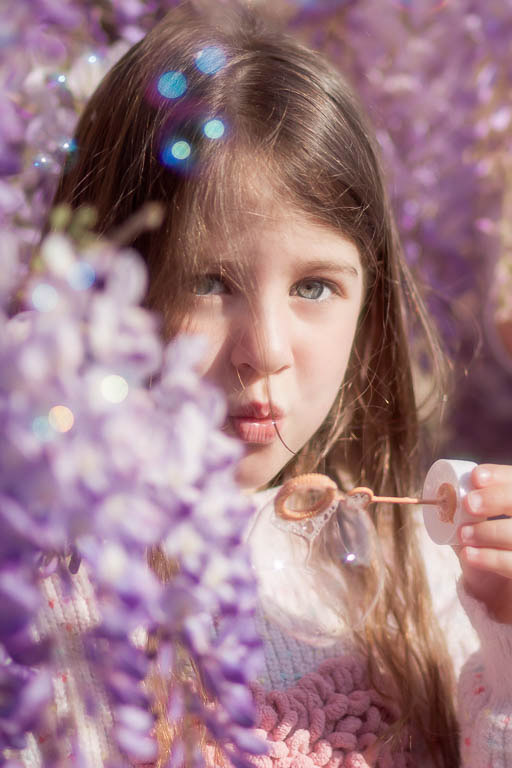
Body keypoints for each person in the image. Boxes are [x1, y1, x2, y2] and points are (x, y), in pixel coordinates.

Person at [16, 1, 512, 766]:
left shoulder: (430, 577)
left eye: (314, 287)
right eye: (208, 282)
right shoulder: (39, 590)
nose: (267, 351)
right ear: (105, 291)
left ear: (370, 299)